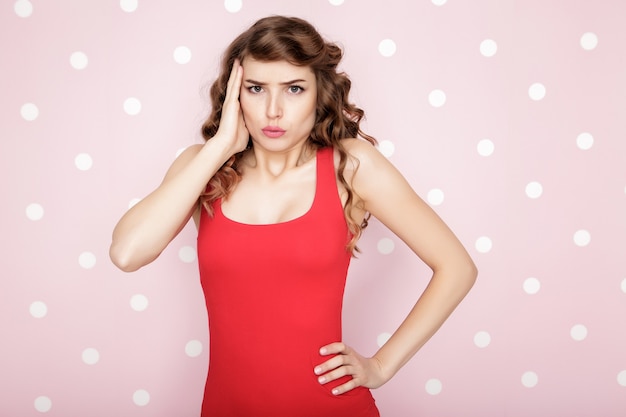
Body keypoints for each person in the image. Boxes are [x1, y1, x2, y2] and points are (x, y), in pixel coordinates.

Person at [110, 15, 477, 417]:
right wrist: (219, 148)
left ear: (319, 93)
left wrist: (382, 365)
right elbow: (128, 253)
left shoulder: (351, 166)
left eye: (294, 89)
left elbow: (456, 267)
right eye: (255, 88)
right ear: (235, 94)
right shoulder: (204, 168)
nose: (272, 110)